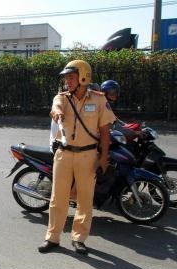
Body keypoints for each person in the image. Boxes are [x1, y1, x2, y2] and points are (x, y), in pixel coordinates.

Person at [38, 60, 116, 255]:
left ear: (83, 77)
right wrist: (57, 113)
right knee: (58, 199)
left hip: (88, 155)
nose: (67, 81)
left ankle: (79, 238)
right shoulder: (62, 98)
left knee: (85, 199)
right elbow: (56, 106)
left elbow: (105, 131)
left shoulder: (99, 100)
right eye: (66, 78)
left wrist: (103, 158)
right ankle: (52, 238)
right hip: (64, 154)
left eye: (70, 77)